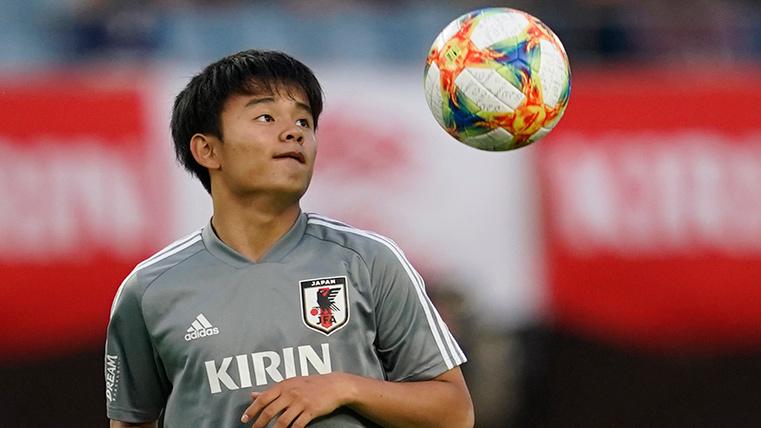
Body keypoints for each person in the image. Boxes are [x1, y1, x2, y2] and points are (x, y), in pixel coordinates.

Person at [105, 49, 474, 428]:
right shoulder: (149, 290)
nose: (294, 132)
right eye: (266, 117)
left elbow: (455, 413)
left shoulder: (369, 260)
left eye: (304, 121)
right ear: (208, 150)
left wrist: (345, 387)